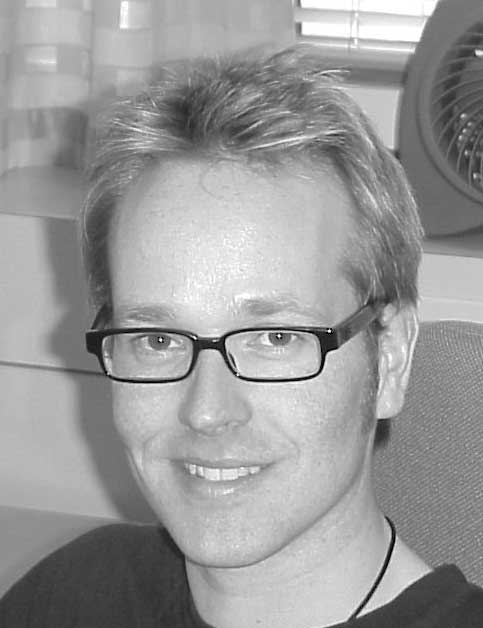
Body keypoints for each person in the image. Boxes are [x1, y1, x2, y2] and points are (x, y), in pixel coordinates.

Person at [1, 46, 482, 628]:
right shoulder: (74, 594)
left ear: (391, 357)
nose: (206, 412)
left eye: (274, 337)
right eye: (157, 341)